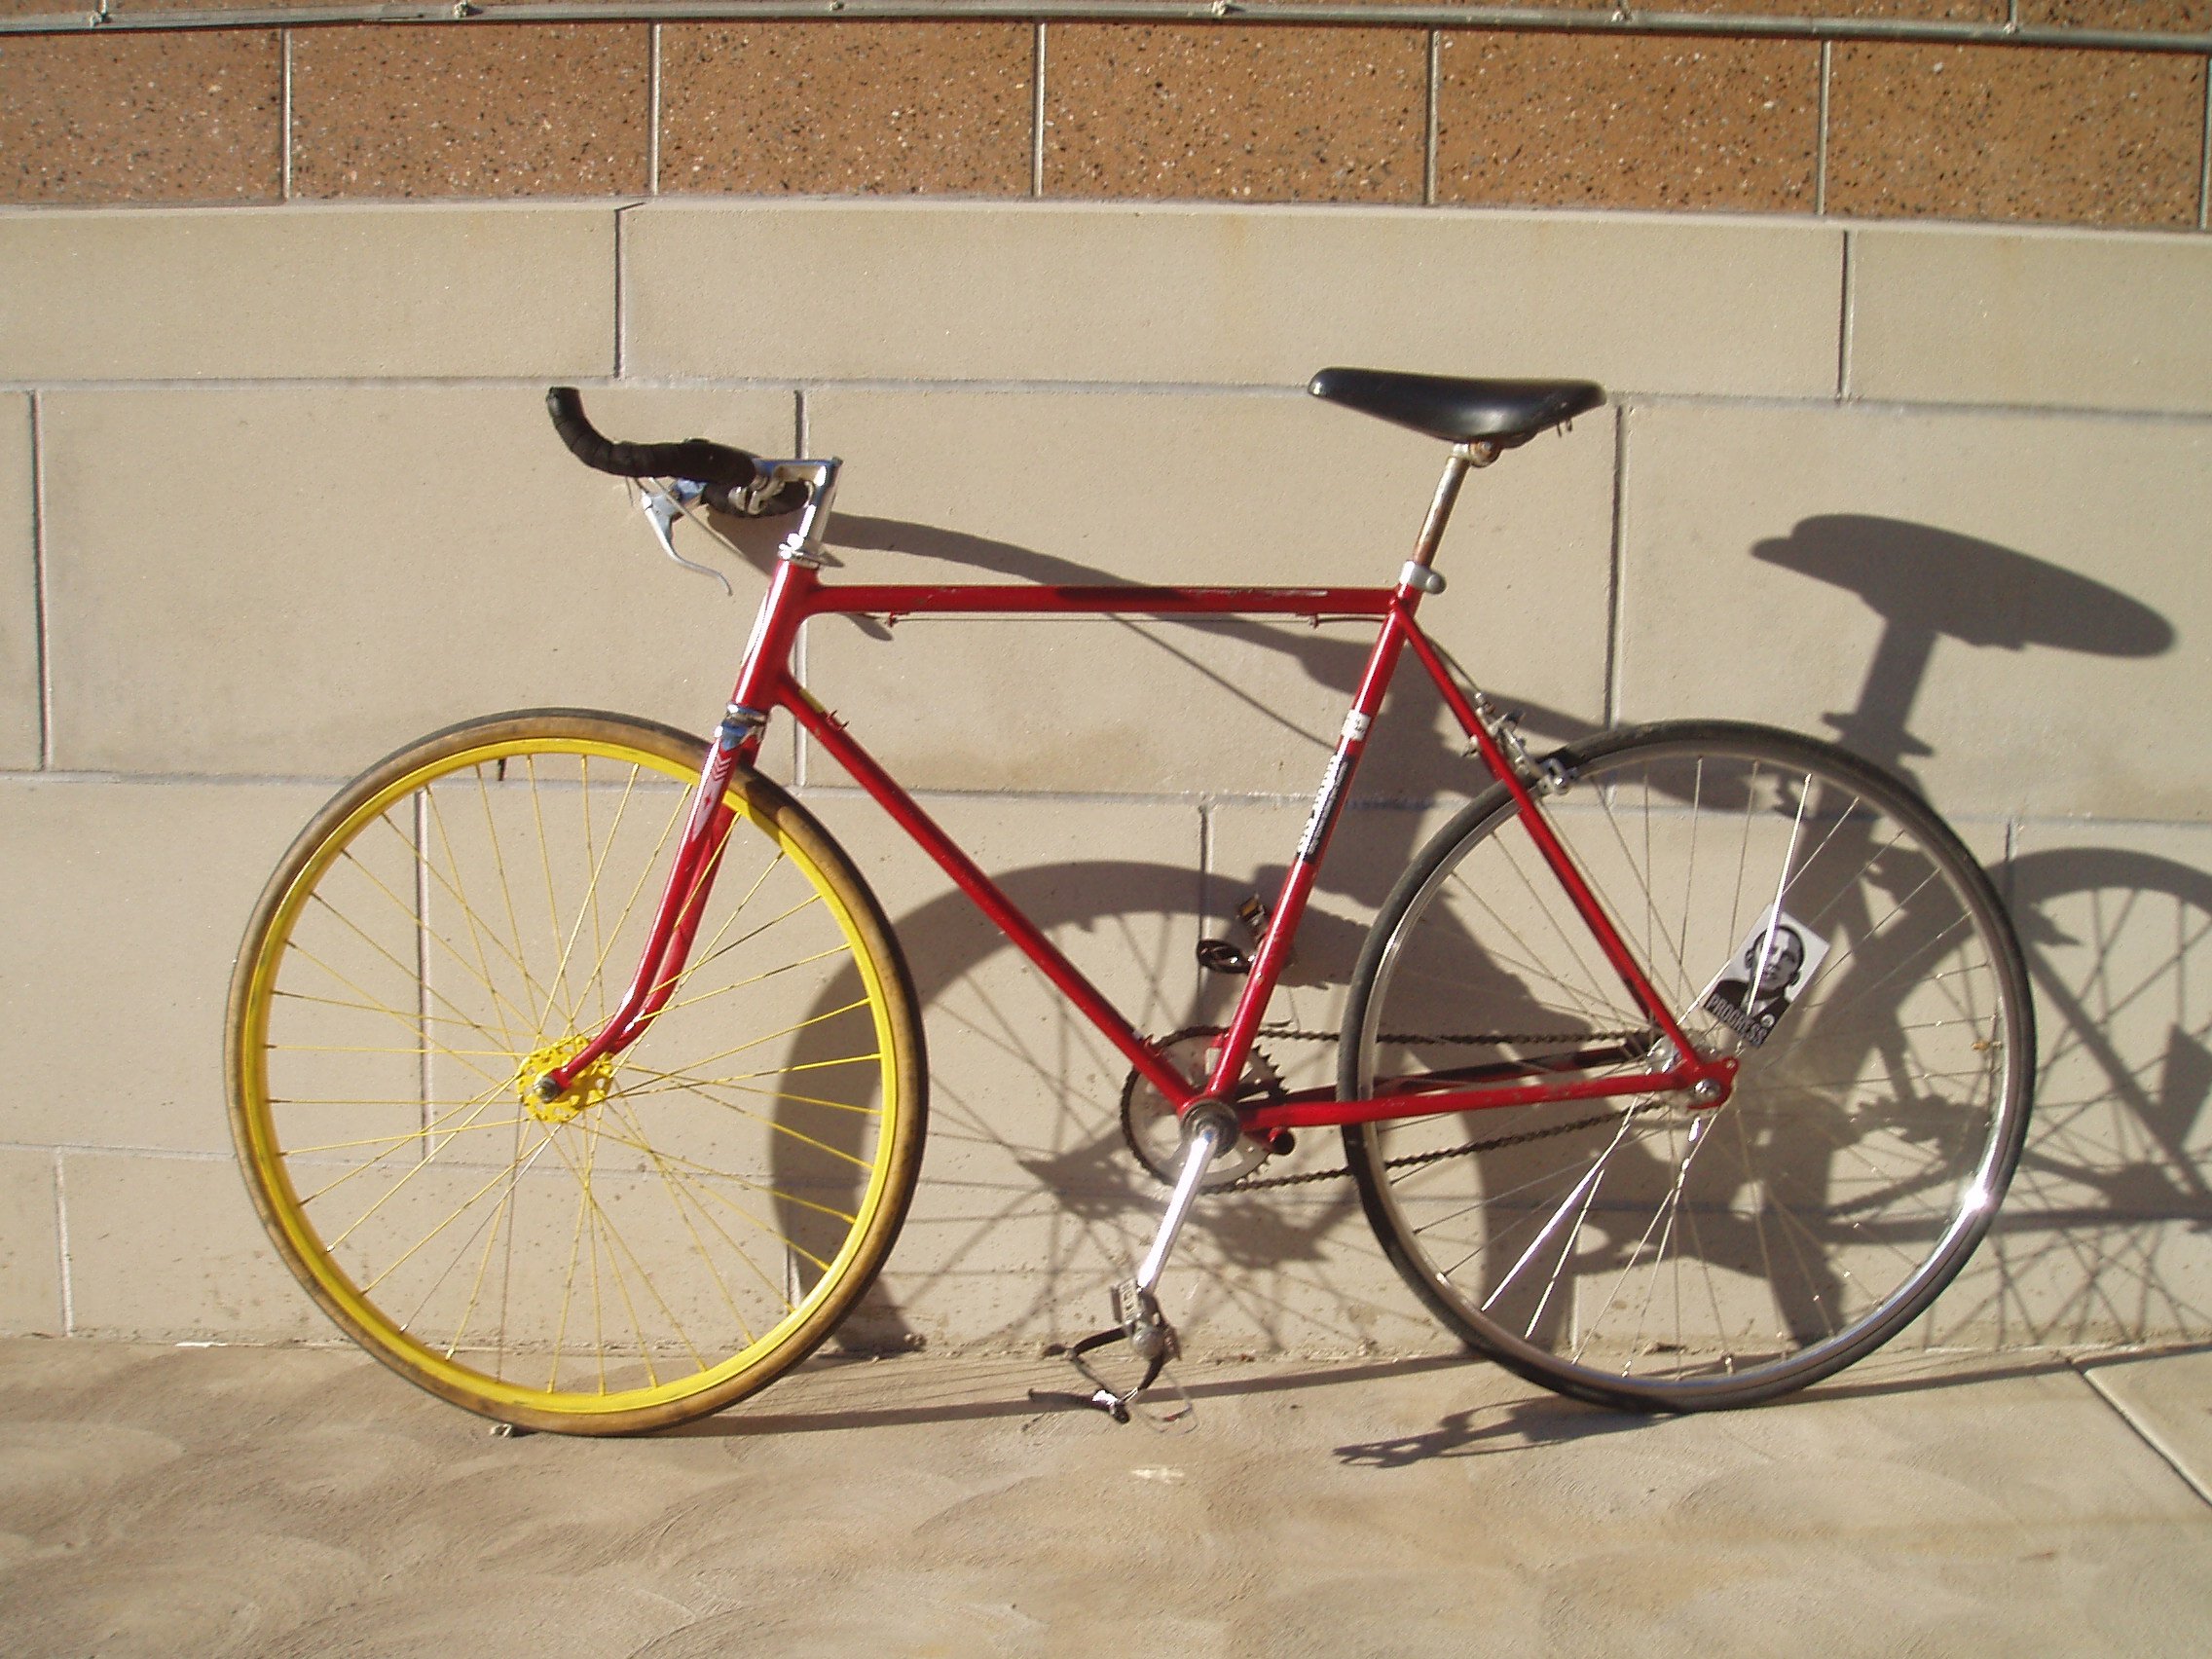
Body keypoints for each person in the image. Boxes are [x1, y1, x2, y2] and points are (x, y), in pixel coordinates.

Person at [1704, 920, 1807, 1045]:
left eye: (1788, 958)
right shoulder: (1725, 988)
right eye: (1769, 950)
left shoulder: (1788, 1019)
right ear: (1749, 958)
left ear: (1794, 978)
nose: (1775, 961)